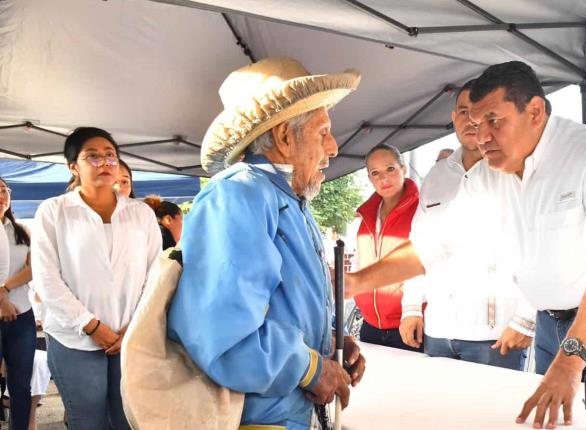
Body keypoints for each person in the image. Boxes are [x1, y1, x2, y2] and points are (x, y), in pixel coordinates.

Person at [345, 61, 586, 429]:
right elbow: (432, 246)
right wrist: (354, 283)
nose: (482, 138)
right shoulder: (487, 176)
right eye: (477, 126)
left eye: (495, 121)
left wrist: (569, 362)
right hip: (550, 321)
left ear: (535, 112)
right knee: (554, 422)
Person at [167, 57, 365, 429]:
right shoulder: (239, 194)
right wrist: (310, 367)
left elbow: (279, 307)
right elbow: (225, 332)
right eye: (323, 132)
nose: (334, 147)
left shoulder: (284, 198)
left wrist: (329, 343)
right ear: (285, 138)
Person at [31, 127, 162, 430]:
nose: (104, 162)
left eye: (110, 156)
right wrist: (90, 325)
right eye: (93, 156)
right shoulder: (54, 211)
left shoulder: (139, 213)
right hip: (74, 337)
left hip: (131, 337)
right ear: (73, 166)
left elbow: (156, 275)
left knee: (129, 419)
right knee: (87, 420)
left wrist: (136, 325)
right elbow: (46, 278)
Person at [399, 79, 532, 369]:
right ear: (453, 118)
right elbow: (419, 245)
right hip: (439, 329)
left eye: (479, 112)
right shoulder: (436, 175)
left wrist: (526, 317)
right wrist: (411, 307)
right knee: (439, 414)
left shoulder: (515, 170)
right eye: (462, 111)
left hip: (494, 334)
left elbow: (537, 246)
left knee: (492, 414)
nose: (470, 120)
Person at [353, 143, 421, 351]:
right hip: (370, 324)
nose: (384, 179)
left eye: (390, 169)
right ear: (370, 179)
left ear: (404, 169)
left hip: (408, 325)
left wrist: (413, 310)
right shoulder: (366, 215)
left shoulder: (422, 209)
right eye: (375, 173)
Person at [0, 178, 35, 430]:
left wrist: (4, 290)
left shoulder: (22, 230)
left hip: (22, 315)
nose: (2, 195)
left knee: (21, 385)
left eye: (4, 190)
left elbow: (33, 268)